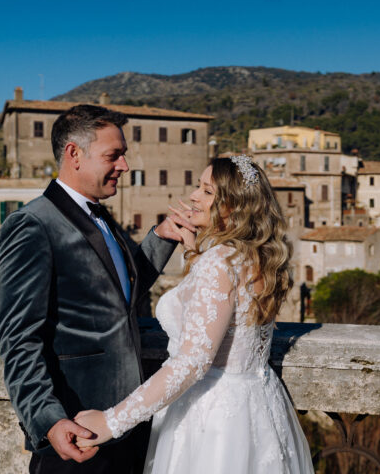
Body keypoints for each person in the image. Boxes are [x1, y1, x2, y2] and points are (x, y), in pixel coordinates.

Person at [74, 156, 314, 473]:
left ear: (234, 205)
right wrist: (195, 252)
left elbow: (193, 362)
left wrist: (110, 422)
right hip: (259, 403)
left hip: (212, 419)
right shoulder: (254, 256)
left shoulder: (219, 262)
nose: (194, 197)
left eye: (207, 191)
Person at [0, 104, 195, 474]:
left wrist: (161, 237)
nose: (124, 166)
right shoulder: (31, 225)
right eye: (113, 155)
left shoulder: (101, 216)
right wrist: (49, 420)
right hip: (76, 430)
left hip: (127, 424)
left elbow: (118, 294)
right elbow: (18, 338)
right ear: (74, 154)